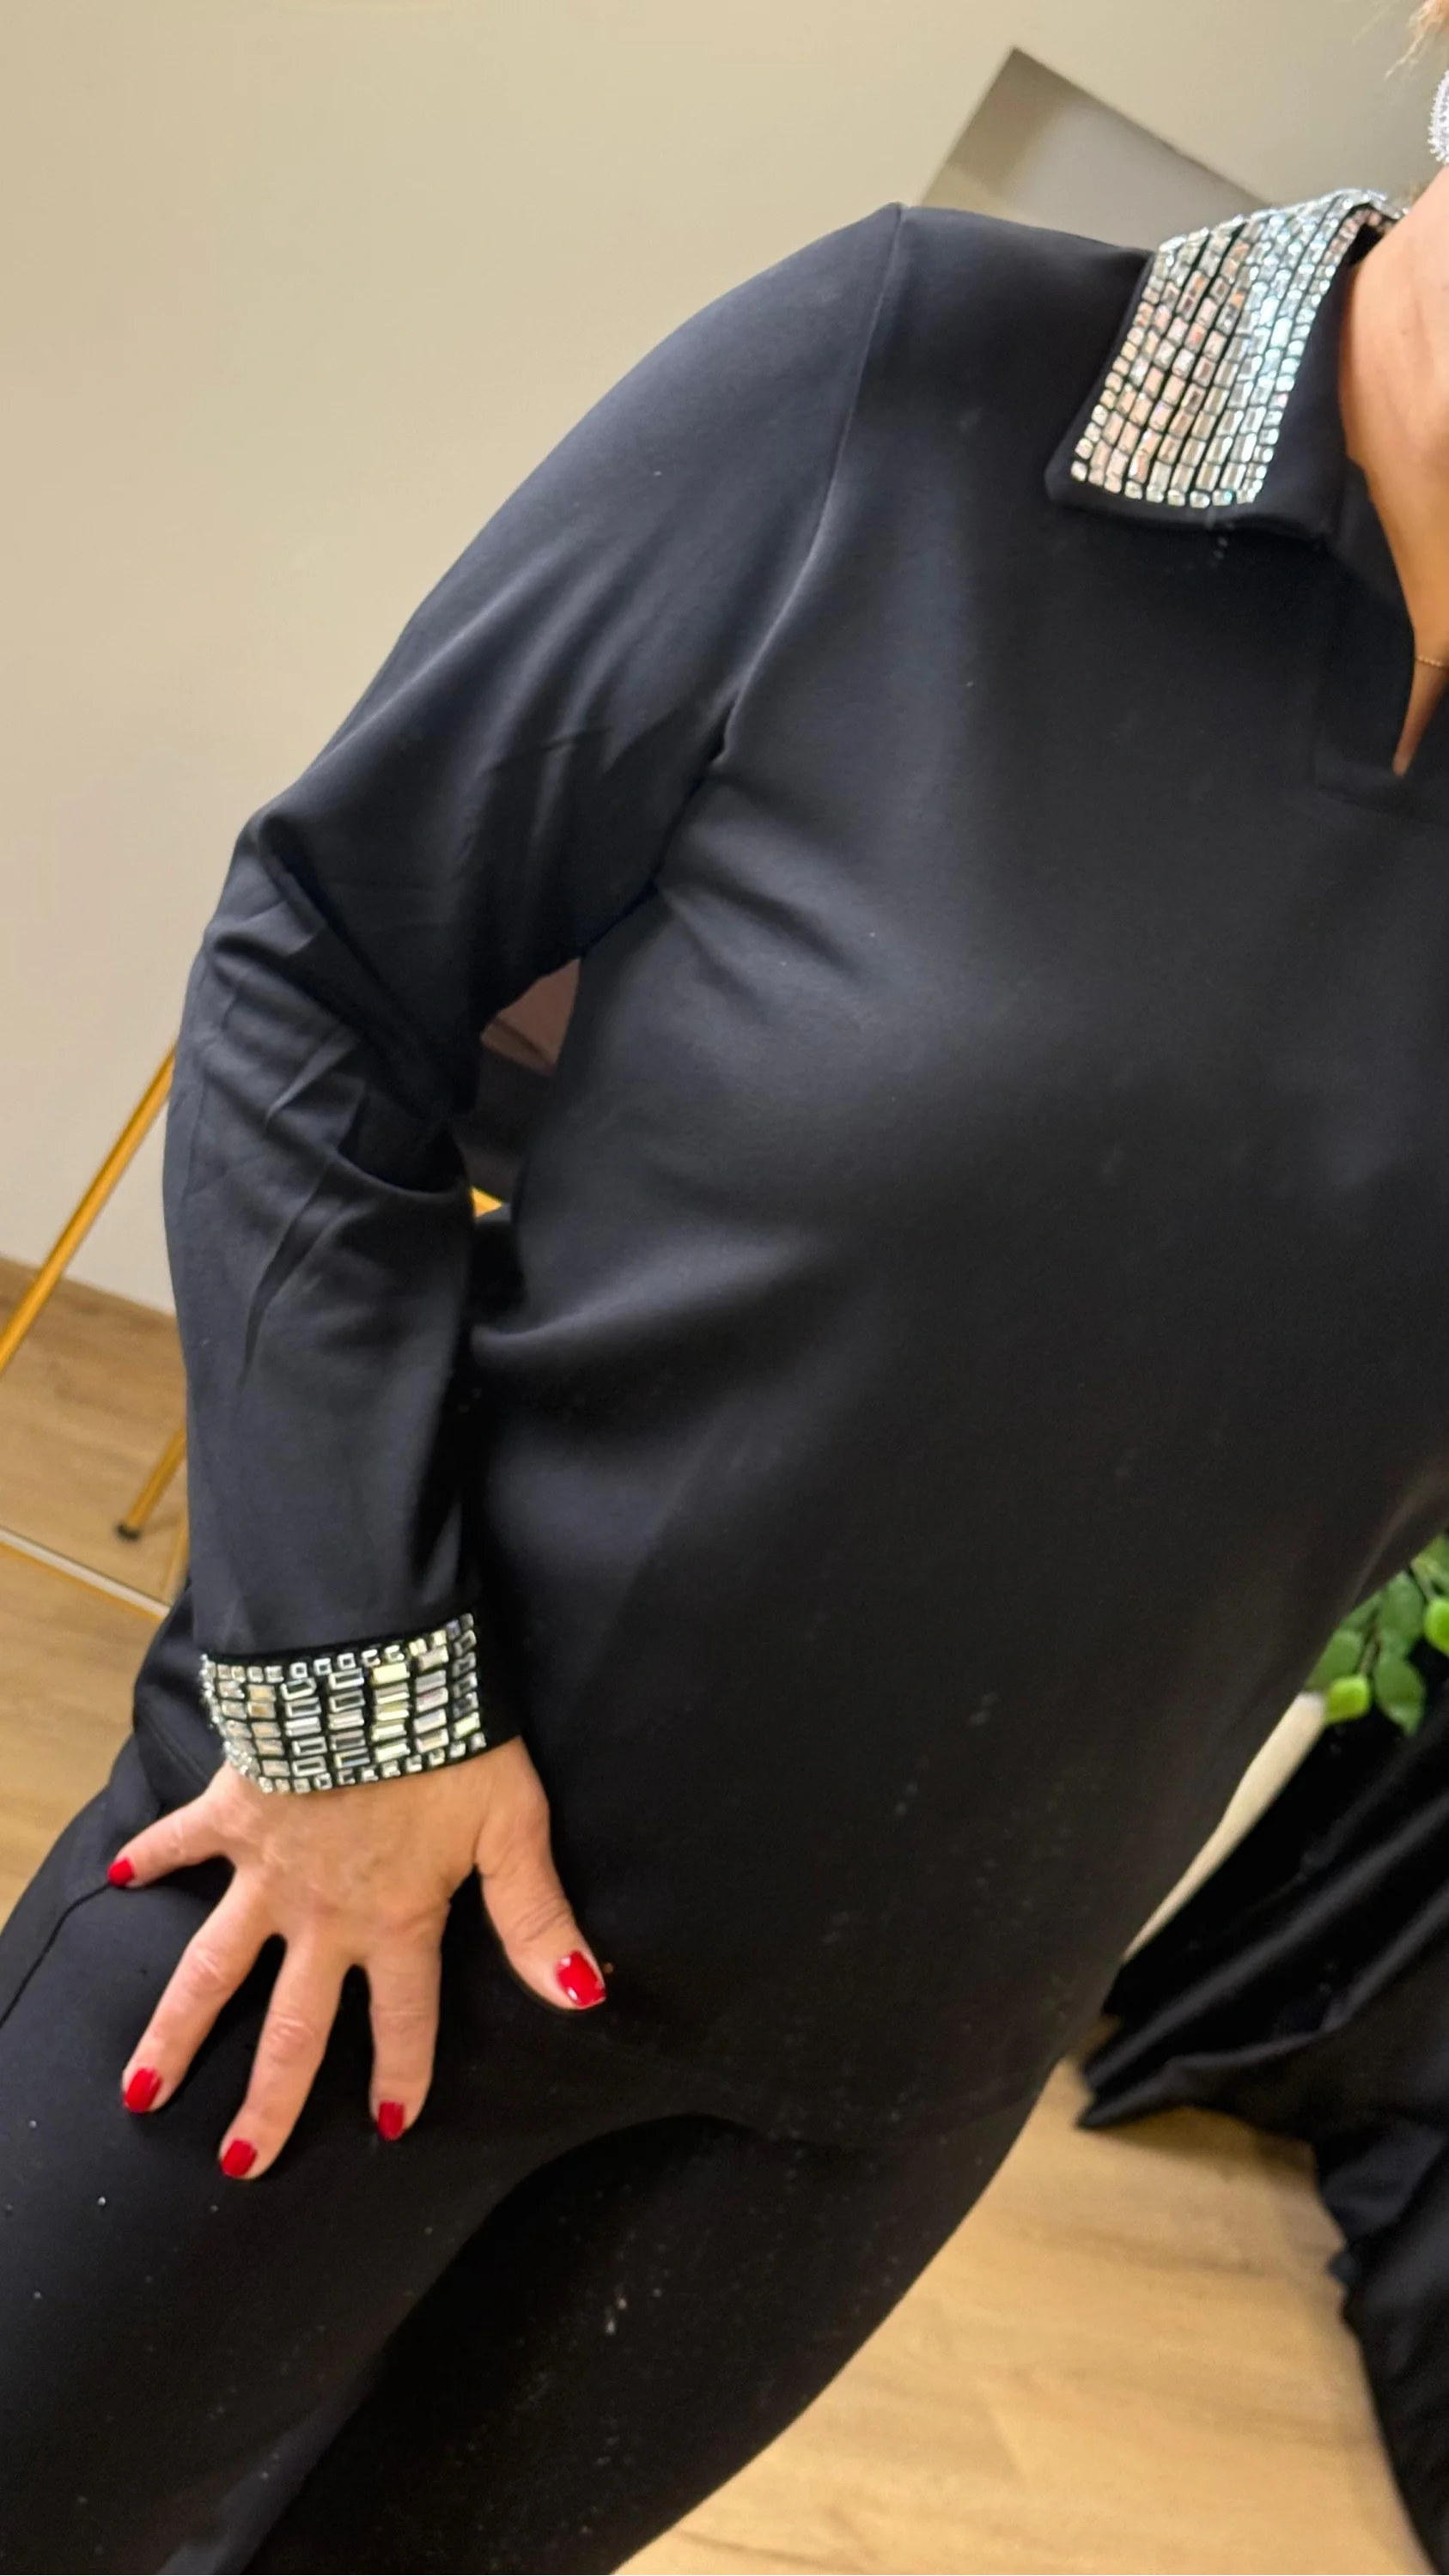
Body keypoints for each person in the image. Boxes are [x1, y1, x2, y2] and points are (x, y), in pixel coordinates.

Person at [3, 9, 1449, 2563]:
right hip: (376, 1861)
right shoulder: (931, 377)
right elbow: (328, 961)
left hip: (869, 2086)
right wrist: (348, 1705)